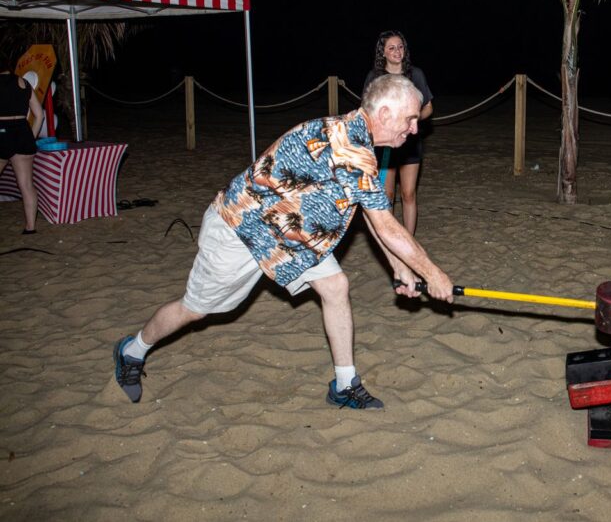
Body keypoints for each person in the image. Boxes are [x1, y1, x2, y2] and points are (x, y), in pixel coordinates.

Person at [113, 74, 454, 409]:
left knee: (335, 286)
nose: (414, 128)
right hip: (243, 230)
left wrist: (399, 265)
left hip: (291, 235)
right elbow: (386, 224)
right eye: (410, 119)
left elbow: (367, 207)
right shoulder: (352, 150)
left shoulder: (355, 134)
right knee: (194, 310)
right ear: (385, 114)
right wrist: (434, 275)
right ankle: (133, 351)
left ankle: (344, 384)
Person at [363, 31, 433, 235]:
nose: (397, 51)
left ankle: (409, 240)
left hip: (410, 142)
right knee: (388, 195)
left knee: (408, 194)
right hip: (386, 144)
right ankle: (392, 241)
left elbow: (428, 107)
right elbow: (367, 110)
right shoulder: (375, 77)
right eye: (391, 48)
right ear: (383, 52)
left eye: (400, 47)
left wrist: (414, 119)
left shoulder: (415, 74)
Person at [0, 66, 44, 234]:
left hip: (1, 132)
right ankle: (30, 227)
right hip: (22, 133)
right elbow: (39, 115)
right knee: (26, 185)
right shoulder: (24, 83)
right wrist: (31, 138)